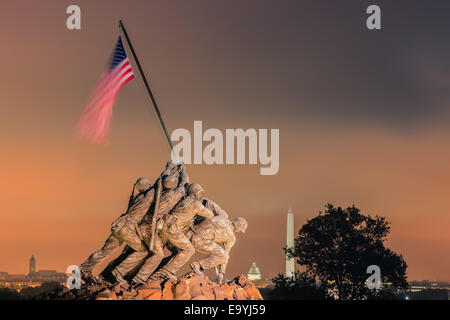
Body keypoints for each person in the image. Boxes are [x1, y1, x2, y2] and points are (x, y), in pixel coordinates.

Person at [79, 177, 154, 283]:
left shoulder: (137, 197)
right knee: (143, 251)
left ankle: (83, 270)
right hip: (127, 229)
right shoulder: (147, 197)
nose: (150, 186)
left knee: (104, 251)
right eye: (149, 185)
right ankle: (118, 272)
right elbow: (157, 187)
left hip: (119, 225)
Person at [149, 183, 214, 281]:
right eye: (199, 193)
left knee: (178, 251)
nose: (200, 195)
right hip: (172, 229)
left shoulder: (183, 200)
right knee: (189, 250)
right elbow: (210, 215)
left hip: (165, 226)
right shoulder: (196, 204)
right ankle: (165, 272)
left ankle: (158, 271)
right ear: (196, 194)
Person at [189, 216, 248, 283]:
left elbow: (208, 220)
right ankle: (198, 265)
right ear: (238, 229)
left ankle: (200, 267)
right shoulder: (231, 237)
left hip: (192, 232)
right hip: (199, 240)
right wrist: (221, 272)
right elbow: (225, 255)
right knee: (224, 256)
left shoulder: (222, 218)